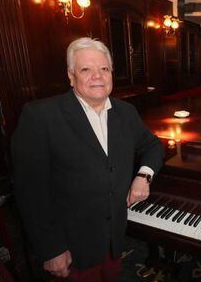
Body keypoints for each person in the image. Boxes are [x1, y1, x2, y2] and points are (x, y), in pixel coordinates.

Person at [12, 37, 164, 281]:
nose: (97, 76)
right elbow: (30, 191)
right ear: (71, 76)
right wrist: (52, 249)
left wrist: (143, 176)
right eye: (86, 69)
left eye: (104, 69)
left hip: (114, 239)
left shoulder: (126, 112)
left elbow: (153, 146)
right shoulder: (40, 116)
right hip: (72, 247)